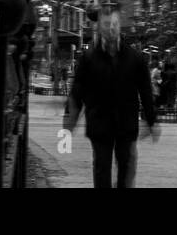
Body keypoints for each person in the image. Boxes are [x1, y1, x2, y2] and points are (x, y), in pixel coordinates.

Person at [63, 10, 159, 188]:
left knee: (126, 167)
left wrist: (152, 121)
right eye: (107, 24)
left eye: (114, 24)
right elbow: (77, 90)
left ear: (119, 26)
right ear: (99, 27)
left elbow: (145, 90)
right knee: (101, 168)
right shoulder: (89, 58)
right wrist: (68, 120)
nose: (111, 28)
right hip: (99, 123)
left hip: (126, 124)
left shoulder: (135, 58)